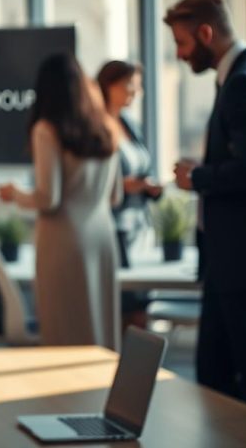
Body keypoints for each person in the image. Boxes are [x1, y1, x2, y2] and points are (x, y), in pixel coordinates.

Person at [168, 0, 246, 408]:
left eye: (182, 43)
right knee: (216, 378)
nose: (180, 55)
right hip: (236, 258)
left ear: (206, 33)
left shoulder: (245, 84)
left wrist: (196, 176)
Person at [0, 53, 122, 350]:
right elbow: (115, 196)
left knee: (65, 330)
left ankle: (67, 397)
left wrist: (14, 193)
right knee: (101, 327)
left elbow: (48, 198)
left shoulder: (47, 130)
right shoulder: (107, 127)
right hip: (102, 236)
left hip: (64, 240)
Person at [96, 60, 162, 330]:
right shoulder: (96, 127)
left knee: (141, 308)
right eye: (128, 85)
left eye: (137, 87)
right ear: (108, 86)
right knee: (126, 310)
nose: (134, 92)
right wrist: (124, 187)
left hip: (139, 227)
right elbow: (94, 182)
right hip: (115, 228)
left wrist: (149, 187)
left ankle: (138, 370)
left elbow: (144, 164)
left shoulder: (129, 124)